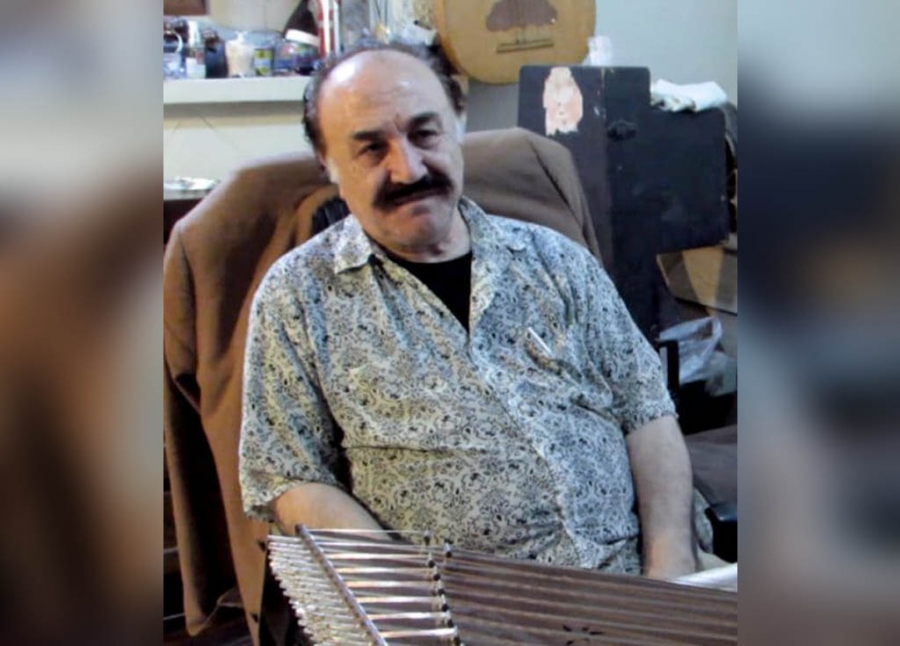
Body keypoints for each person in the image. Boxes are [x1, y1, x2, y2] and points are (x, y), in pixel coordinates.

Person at [239, 39, 702, 579]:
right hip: (455, 606)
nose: (408, 169)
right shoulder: (299, 295)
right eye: (372, 150)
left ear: (457, 124)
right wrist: (411, 602)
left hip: (636, 582)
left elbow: (646, 411)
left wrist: (672, 567)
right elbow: (291, 474)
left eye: (424, 134)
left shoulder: (556, 260)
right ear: (328, 163)